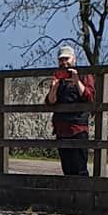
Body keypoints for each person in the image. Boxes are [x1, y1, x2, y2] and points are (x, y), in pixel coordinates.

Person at [45, 45, 96, 176]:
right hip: (62, 129)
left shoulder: (84, 74)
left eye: (66, 58)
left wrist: (77, 80)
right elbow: (50, 101)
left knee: (80, 169)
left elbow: (89, 97)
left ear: (74, 58)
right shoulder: (58, 77)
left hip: (77, 129)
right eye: (61, 59)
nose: (64, 62)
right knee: (67, 170)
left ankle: (83, 195)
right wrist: (54, 87)